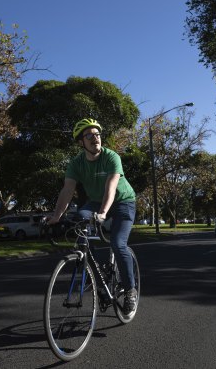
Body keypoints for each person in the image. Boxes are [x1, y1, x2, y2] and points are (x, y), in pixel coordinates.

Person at [47, 118, 138, 315]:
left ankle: (130, 290)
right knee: (80, 220)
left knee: (118, 243)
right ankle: (99, 278)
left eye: (97, 134)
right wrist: (56, 216)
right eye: (89, 136)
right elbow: (67, 190)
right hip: (96, 201)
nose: (95, 138)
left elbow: (111, 186)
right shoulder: (76, 163)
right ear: (81, 142)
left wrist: (103, 213)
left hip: (123, 201)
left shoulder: (111, 157)